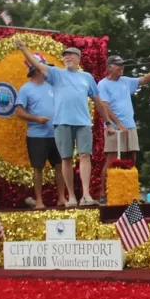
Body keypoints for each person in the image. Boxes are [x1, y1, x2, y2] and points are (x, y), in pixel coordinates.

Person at [14, 39, 108, 206]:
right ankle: (71, 197)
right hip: (62, 123)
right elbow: (37, 64)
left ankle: (86, 195)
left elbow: (98, 101)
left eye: (70, 55)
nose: (67, 57)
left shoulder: (87, 77)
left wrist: (107, 122)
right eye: (65, 55)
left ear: (79, 58)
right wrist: (24, 49)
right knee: (65, 159)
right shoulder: (56, 73)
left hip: (83, 122)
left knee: (85, 155)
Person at [97, 52, 150, 202]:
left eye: (123, 65)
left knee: (132, 157)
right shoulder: (103, 84)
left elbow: (144, 80)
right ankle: (103, 193)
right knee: (111, 159)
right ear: (109, 67)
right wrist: (118, 124)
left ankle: (128, 190)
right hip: (115, 128)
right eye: (118, 65)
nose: (122, 68)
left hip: (130, 126)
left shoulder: (125, 81)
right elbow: (105, 106)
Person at [14, 52, 66, 209]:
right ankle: (39, 201)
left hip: (55, 133)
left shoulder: (52, 86)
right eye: (42, 67)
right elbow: (19, 112)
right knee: (38, 168)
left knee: (60, 165)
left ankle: (62, 198)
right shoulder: (26, 89)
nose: (45, 71)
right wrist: (36, 119)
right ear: (36, 69)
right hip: (37, 135)